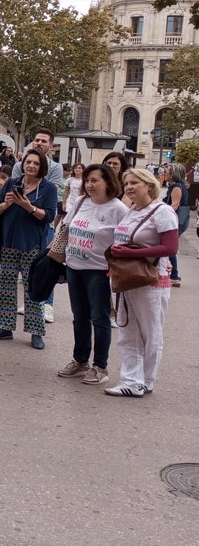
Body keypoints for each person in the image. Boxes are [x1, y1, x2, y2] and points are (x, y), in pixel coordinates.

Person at [104, 167, 179, 397]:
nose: (128, 187)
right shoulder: (132, 210)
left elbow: (170, 247)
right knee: (128, 331)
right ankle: (131, 380)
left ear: (149, 185)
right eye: (126, 183)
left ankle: (146, 380)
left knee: (150, 332)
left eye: (134, 182)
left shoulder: (163, 212)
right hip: (127, 278)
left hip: (149, 280)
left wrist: (128, 254)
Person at [56, 163, 128, 387]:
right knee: (80, 316)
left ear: (108, 182)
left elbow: (124, 241)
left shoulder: (117, 209)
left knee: (100, 318)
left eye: (95, 180)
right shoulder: (80, 202)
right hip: (74, 267)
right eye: (87, 180)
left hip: (100, 272)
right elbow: (65, 228)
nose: (90, 184)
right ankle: (80, 361)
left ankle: (100, 366)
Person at [0, 148, 58, 349]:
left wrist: (30, 207)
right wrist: (5, 205)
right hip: (8, 242)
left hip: (33, 245)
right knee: (6, 286)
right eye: (28, 162)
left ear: (41, 166)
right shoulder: (12, 183)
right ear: (23, 164)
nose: (31, 166)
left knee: (33, 288)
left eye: (36, 163)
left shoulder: (48, 188)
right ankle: (4, 327)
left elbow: (50, 216)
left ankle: (36, 331)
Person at [161, 163, 189, 287]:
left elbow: (175, 205)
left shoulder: (177, 187)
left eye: (167, 172)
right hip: (178, 220)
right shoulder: (177, 186)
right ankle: (173, 274)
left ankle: (174, 276)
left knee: (169, 247)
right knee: (169, 246)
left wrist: (163, 216)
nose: (165, 174)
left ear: (173, 175)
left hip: (175, 220)